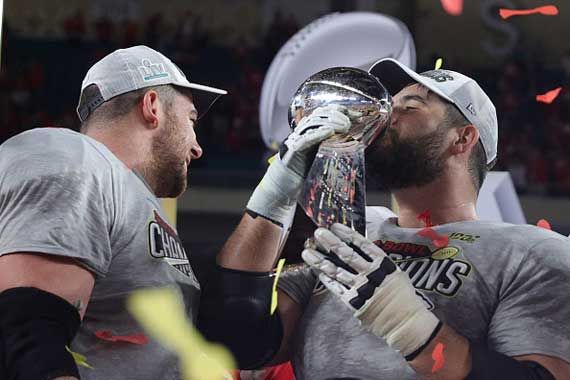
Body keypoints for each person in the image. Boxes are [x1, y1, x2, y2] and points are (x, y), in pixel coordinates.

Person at [199, 59, 570, 379]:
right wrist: (276, 190)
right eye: (386, 106)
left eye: (409, 107)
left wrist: (405, 322)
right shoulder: (344, 227)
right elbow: (241, 344)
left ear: (463, 138)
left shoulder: (531, 251)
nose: (384, 117)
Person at [0, 45, 227, 380]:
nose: (197, 147)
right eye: (191, 120)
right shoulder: (78, 161)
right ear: (152, 107)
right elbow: (27, 332)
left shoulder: (123, 190)